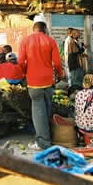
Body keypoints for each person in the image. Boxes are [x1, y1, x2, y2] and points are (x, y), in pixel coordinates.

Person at [18, 21, 64, 150]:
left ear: (34, 29)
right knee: (47, 109)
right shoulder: (50, 41)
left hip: (34, 82)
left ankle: (43, 142)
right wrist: (59, 75)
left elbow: (21, 61)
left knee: (38, 112)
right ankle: (49, 136)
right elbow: (57, 63)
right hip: (48, 81)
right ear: (44, 29)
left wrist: (24, 72)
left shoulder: (25, 41)